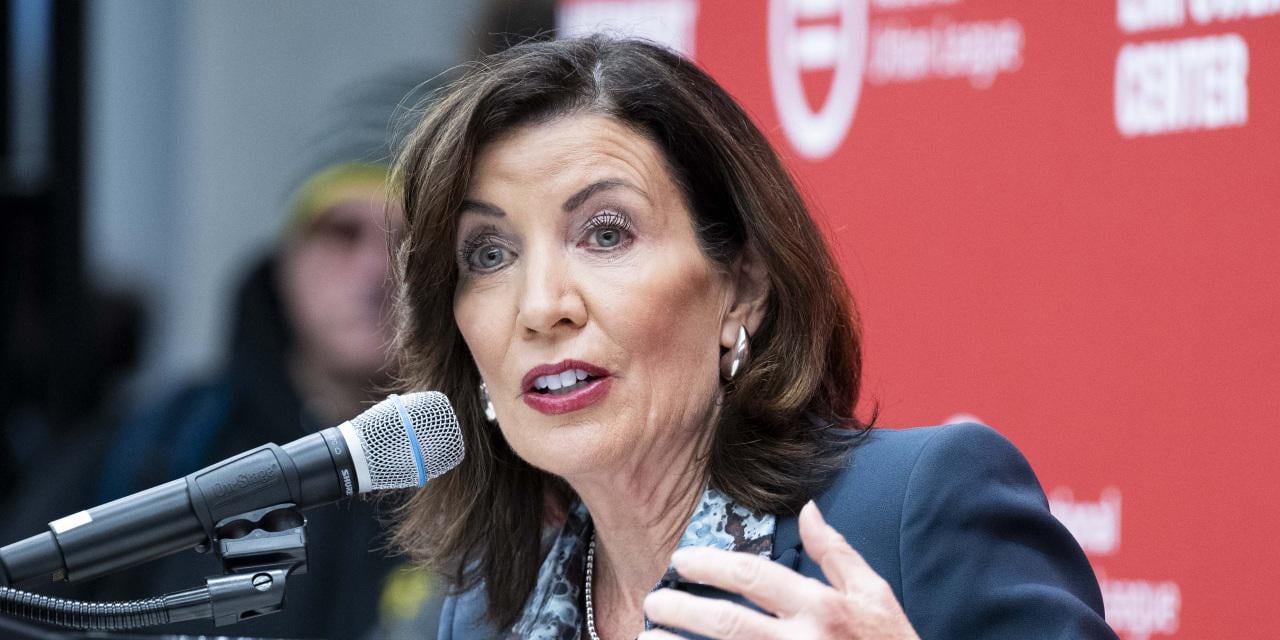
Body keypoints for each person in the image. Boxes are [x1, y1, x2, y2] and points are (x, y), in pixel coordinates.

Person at [388, 36, 1118, 640]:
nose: (542, 306)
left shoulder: (914, 512)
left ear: (742, 286)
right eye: (489, 254)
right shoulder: (483, 614)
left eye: (605, 233)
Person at [82, 156, 406, 639]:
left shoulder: (488, 468)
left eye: (408, 244)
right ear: (286, 265)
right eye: (342, 234)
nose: (375, 269)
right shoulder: (170, 440)